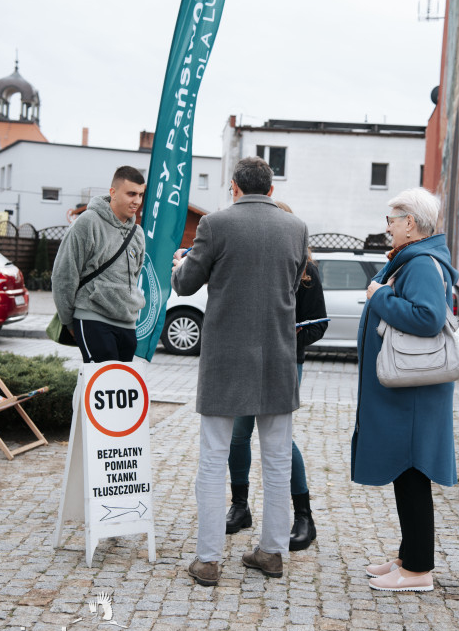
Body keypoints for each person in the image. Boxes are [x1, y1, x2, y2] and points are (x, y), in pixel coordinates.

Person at [171, 156, 308, 586]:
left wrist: (182, 261)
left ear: (234, 187)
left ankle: (209, 559)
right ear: (270, 190)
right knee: (278, 460)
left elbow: (184, 285)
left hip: (226, 359)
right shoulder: (296, 228)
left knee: (213, 459)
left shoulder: (214, 225)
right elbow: (289, 286)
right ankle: (272, 552)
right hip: (278, 358)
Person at [351, 187, 458, 592]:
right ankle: (406, 555)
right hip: (407, 391)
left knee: (413, 474)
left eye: (391, 220)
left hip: (413, 393)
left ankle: (418, 570)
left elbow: (428, 318)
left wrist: (379, 297)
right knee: (405, 471)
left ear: (410, 223)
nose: (388, 227)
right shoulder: (412, 260)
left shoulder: (421, 264)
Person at [225, 201, 327, 551]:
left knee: (281, 439)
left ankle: (304, 516)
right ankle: (240, 507)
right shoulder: (255, 263)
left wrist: (290, 336)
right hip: (246, 359)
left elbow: (318, 324)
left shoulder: (307, 270)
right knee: (239, 435)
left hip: (285, 362)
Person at [52, 165, 146, 363]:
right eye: (131, 194)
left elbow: (134, 276)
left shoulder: (137, 233)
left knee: (120, 387)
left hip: (127, 322)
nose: (137, 200)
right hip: (93, 317)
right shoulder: (88, 222)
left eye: (140, 194)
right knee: (102, 385)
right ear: (113, 192)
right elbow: (64, 275)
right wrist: (68, 321)